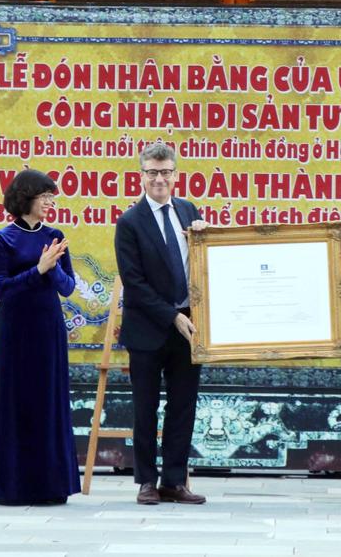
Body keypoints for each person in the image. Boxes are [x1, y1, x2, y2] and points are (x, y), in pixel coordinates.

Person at [0, 169, 80, 505]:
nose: (50, 202)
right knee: (15, 401)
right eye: (44, 196)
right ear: (26, 198)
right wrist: (37, 270)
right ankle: (13, 486)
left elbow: (68, 287)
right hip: (14, 329)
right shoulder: (3, 238)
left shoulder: (55, 235)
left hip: (47, 328)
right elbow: (1, 289)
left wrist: (52, 269)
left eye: (52, 196)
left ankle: (50, 485)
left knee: (47, 401)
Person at [114, 142, 207, 505]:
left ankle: (174, 481)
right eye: (152, 172)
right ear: (142, 175)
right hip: (149, 329)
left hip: (189, 329)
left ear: (175, 175)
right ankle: (146, 481)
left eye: (166, 171)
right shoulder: (129, 222)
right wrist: (172, 316)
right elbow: (134, 283)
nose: (159, 179)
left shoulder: (188, 211)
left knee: (183, 406)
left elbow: (199, 265)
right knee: (146, 406)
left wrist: (205, 238)